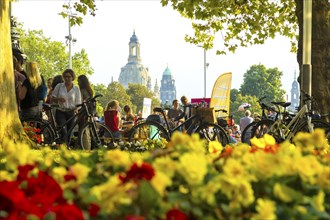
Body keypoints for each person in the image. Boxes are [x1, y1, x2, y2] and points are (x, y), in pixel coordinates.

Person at [52, 69, 82, 145]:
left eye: (69, 77)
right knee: (63, 129)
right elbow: (52, 98)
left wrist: (76, 109)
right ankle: (63, 145)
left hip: (71, 112)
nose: (67, 78)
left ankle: (66, 146)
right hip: (60, 111)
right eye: (65, 77)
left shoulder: (76, 89)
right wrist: (59, 99)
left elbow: (78, 102)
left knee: (69, 131)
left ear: (72, 77)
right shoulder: (59, 86)